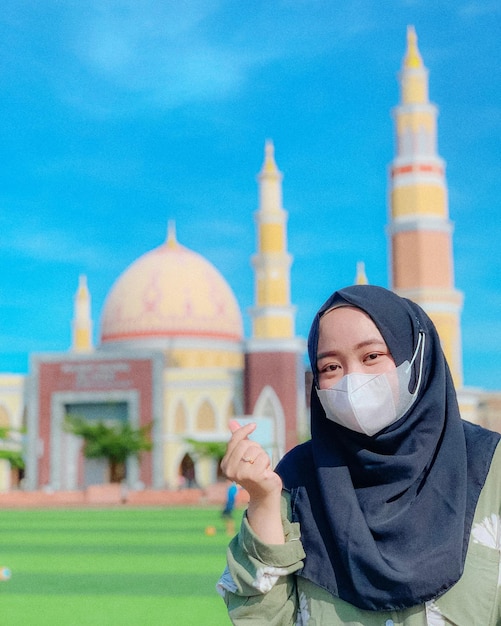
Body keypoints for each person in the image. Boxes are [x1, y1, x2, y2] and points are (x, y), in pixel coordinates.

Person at [217, 284, 501, 625]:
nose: (352, 380)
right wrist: (263, 500)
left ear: (417, 355)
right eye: (331, 367)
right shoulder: (299, 479)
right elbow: (263, 618)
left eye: (371, 357)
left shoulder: (490, 469)